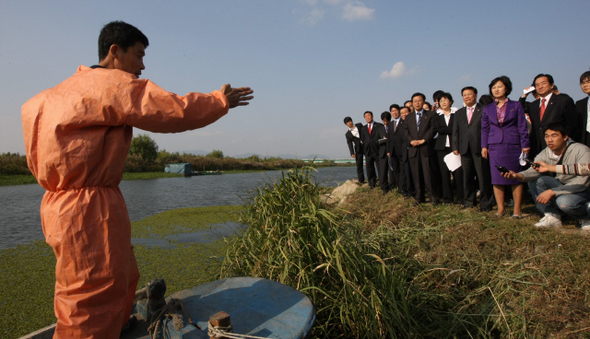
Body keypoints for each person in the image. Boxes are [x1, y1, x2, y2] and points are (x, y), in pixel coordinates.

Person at [20, 21, 253, 338]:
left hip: (59, 206)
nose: (143, 66)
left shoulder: (43, 100)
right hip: (89, 207)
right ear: (114, 52)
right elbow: (171, 110)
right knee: (90, 296)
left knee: (119, 274)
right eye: (139, 55)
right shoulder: (112, 86)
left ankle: (116, 325)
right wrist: (219, 100)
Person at [502, 124, 590, 229]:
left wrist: (553, 191)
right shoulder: (546, 152)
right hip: (562, 186)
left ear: (565, 137)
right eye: (547, 136)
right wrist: (517, 175)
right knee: (538, 180)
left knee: (564, 201)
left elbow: (582, 182)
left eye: (554, 135)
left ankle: (586, 217)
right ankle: (552, 216)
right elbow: (534, 171)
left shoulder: (581, 151)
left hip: (581, 190)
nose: (550, 140)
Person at [481, 76, 530, 218]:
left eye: (499, 87)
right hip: (494, 146)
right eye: (494, 87)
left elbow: (522, 126)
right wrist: (484, 146)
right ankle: (500, 209)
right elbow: (484, 128)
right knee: (497, 178)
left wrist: (525, 144)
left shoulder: (516, 105)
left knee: (515, 177)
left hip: (513, 145)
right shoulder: (488, 108)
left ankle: (517, 210)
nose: (496, 89)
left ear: (507, 89)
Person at [452, 86, 494, 211]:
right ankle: (469, 202)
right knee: (467, 177)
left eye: (469, 94)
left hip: (480, 148)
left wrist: (485, 145)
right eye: (464, 95)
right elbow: (455, 131)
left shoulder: (484, 109)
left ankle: (486, 203)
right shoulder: (459, 113)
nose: (467, 97)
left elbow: (489, 129)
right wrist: (455, 146)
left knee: (483, 177)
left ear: (475, 95)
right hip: (464, 149)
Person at [403, 92, 440, 205]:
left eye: (419, 100)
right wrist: (411, 141)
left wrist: (424, 140)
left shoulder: (431, 115)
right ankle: (419, 198)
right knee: (417, 175)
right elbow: (405, 131)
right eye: (415, 101)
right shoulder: (408, 117)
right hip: (414, 150)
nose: (417, 103)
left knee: (429, 175)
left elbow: (433, 129)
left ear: (423, 101)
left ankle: (433, 197)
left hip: (426, 148)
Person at [527, 74, 577, 157]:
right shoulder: (533, 105)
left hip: (559, 148)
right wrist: (524, 95)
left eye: (543, 83)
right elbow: (518, 109)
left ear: (551, 85)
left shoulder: (563, 101)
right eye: (537, 85)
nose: (540, 87)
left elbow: (573, 125)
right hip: (538, 148)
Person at [433, 92, 463, 205]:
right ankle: (448, 199)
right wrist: (453, 129)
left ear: (450, 101)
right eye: (441, 101)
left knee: (458, 173)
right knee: (444, 174)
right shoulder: (436, 115)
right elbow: (438, 129)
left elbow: (460, 128)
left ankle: (460, 198)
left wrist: (450, 129)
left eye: (445, 100)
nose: (443, 102)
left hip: (455, 147)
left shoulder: (457, 114)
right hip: (441, 148)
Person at [361, 111, 384, 189]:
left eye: (369, 116)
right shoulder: (363, 128)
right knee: (369, 168)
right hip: (368, 151)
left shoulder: (379, 125)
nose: (368, 117)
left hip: (377, 150)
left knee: (380, 167)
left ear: (372, 116)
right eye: (366, 116)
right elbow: (362, 139)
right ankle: (372, 183)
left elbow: (382, 137)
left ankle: (382, 182)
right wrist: (364, 149)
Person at [386, 104, 402, 192]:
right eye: (392, 111)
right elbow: (389, 139)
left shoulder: (404, 122)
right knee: (395, 170)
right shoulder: (391, 124)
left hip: (402, 150)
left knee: (403, 170)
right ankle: (399, 187)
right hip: (393, 151)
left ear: (399, 111)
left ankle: (404, 187)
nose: (394, 112)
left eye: (396, 110)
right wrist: (388, 150)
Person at [344, 117, 365, 183]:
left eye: (350, 121)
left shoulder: (359, 125)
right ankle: (361, 180)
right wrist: (352, 153)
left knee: (371, 162)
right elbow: (349, 144)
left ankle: (373, 178)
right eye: (347, 122)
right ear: (346, 124)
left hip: (366, 146)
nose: (349, 123)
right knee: (359, 165)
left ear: (352, 121)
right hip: (358, 149)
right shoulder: (347, 134)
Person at [576, 71, 590, 147]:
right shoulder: (579, 104)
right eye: (582, 83)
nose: (585, 85)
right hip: (585, 141)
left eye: (588, 82)